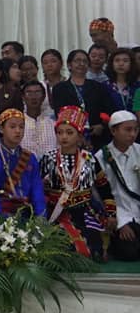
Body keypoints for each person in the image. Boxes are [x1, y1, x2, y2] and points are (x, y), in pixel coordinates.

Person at [40, 106, 115, 258]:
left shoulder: (89, 159)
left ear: (79, 136)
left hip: (85, 211)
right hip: (57, 213)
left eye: (69, 133)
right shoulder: (48, 158)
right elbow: (36, 186)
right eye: (60, 132)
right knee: (64, 249)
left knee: (95, 250)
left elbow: (104, 187)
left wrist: (111, 213)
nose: (64, 137)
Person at [0, 109, 47, 219]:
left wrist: (41, 217)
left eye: (21, 127)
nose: (18, 131)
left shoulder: (30, 157)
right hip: (2, 212)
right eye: (12, 127)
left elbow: (37, 190)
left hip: (27, 212)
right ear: (1, 129)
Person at [95, 111, 140, 261]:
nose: (133, 134)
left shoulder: (139, 151)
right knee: (129, 252)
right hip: (118, 217)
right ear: (113, 131)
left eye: (135, 130)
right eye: (128, 130)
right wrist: (121, 223)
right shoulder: (101, 157)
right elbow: (100, 196)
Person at [52, 49, 115, 150]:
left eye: (85, 61)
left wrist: (102, 126)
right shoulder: (59, 88)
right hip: (71, 138)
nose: (81, 64)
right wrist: (77, 134)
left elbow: (108, 110)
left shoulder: (98, 87)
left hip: (97, 137)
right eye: (77, 61)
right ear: (69, 65)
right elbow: (60, 113)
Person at [20, 82, 58, 157]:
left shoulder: (53, 124)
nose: (33, 97)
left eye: (37, 93)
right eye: (29, 93)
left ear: (44, 97)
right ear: (23, 97)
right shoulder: (18, 124)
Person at [104, 47, 139, 112]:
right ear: (112, 64)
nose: (121, 64)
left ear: (131, 64)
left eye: (125, 61)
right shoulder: (104, 86)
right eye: (117, 60)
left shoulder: (137, 86)